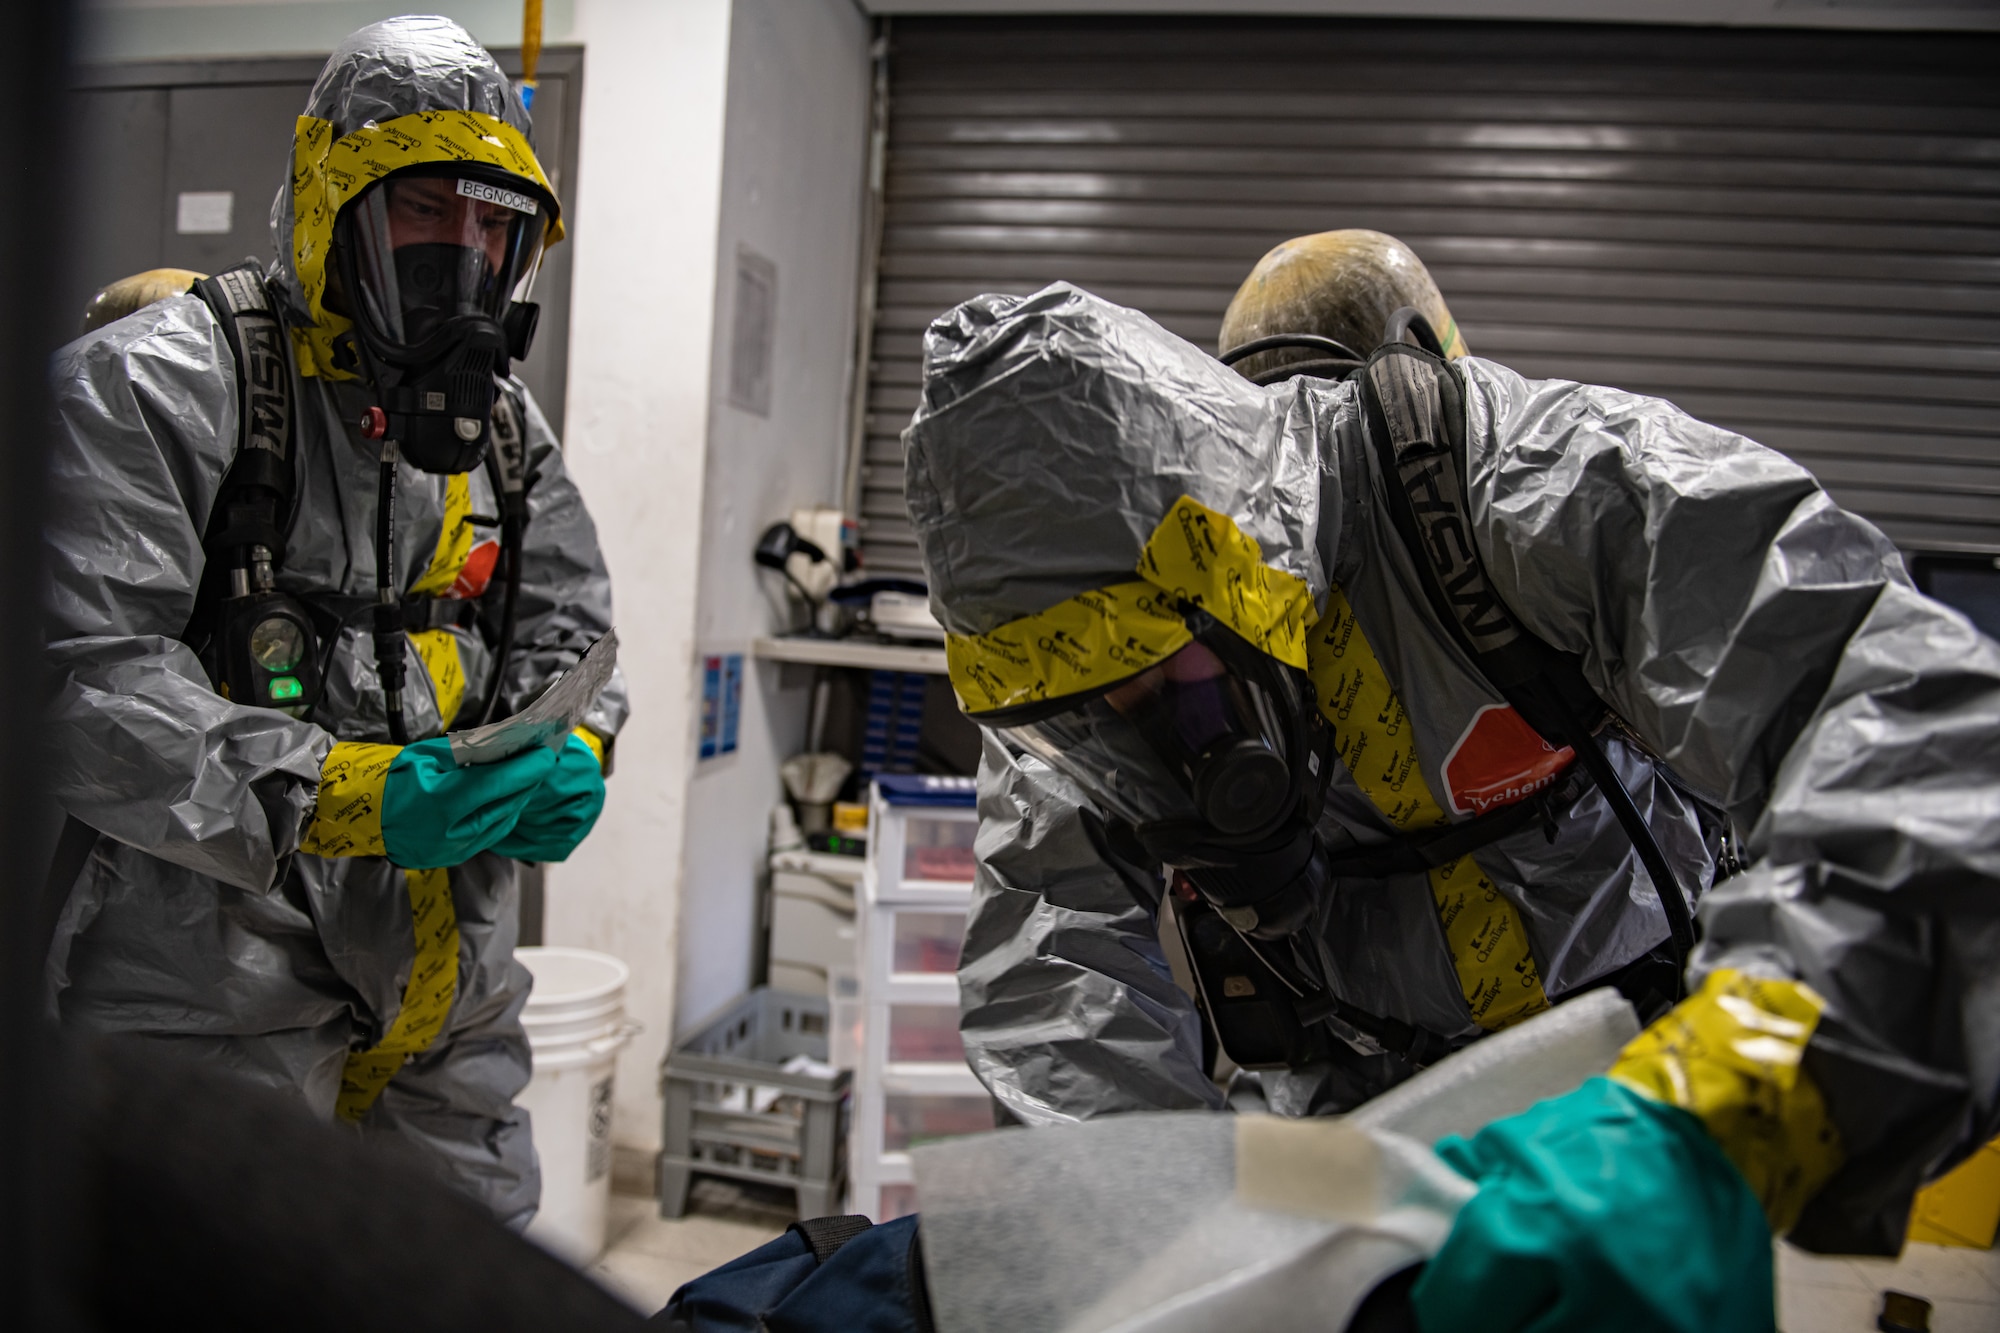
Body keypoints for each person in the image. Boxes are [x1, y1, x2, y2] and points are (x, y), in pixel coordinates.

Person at [892, 233, 1999, 1328]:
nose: (1133, 733)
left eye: (1149, 678)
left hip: (1640, 1088)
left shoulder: (1534, 487)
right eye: (1082, 716)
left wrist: (1729, 1102)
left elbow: (1920, 731)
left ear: (1228, 564)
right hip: (1349, 1129)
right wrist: (1160, 1262)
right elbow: (1057, 986)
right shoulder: (1069, 676)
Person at [44, 16, 626, 1228]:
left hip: (450, 997)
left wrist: (577, 743)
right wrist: (333, 794)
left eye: (492, 224)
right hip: (208, 996)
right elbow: (79, 681)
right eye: (424, 211)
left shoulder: (503, 430)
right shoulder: (159, 383)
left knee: (463, 1289)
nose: (462, 255)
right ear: (333, 204)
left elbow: (568, 619)